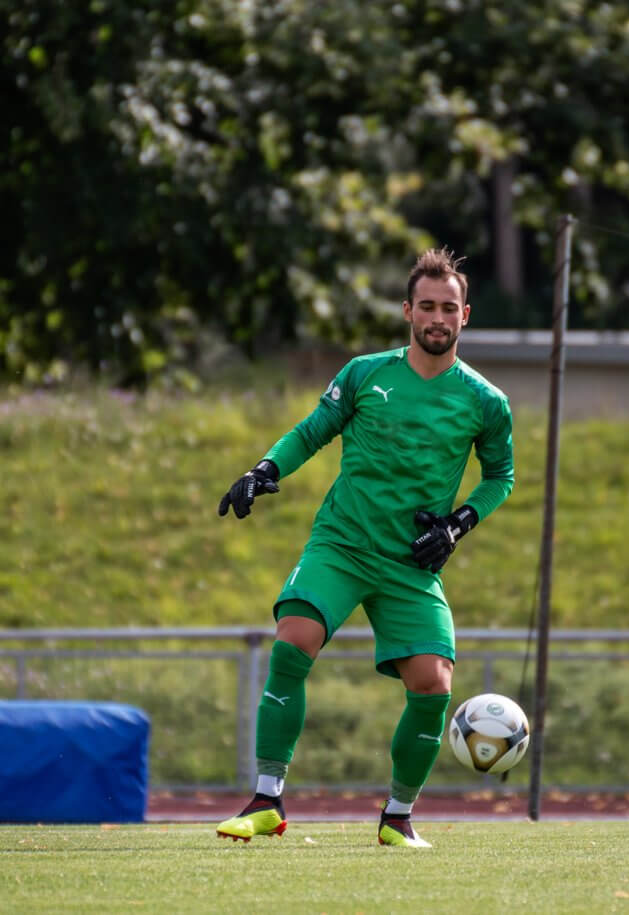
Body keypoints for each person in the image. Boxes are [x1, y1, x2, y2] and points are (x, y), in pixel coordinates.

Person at [214, 248, 514, 848]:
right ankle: (267, 800)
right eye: (426, 306)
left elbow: (500, 477)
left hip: (410, 563)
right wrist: (264, 469)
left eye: (448, 307)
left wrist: (456, 525)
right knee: (293, 639)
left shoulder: (486, 401)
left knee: (433, 684)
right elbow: (312, 432)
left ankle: (398, 817)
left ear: (464, 315)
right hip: (343, 543)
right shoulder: (364, 374)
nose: (437, 317)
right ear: (408, 311)